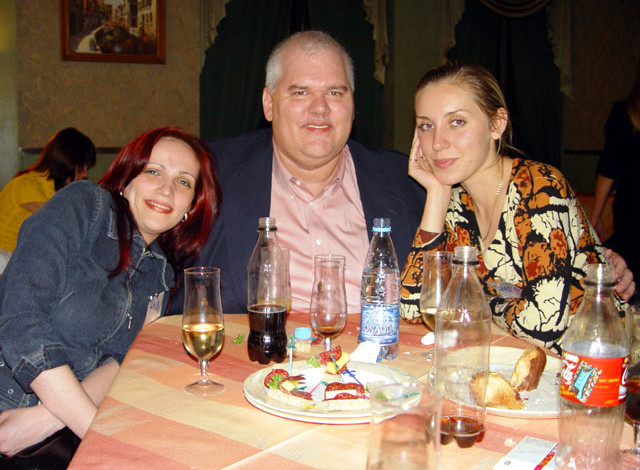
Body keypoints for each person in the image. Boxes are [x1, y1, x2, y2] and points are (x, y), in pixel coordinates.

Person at [0, 127, 221, 462]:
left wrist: (45, 421)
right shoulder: (84, 205)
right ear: (125, 178)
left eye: (183, 181)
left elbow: (120, 361)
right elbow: (20, 320)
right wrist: (104, 441)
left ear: (191, 206)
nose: (166, 189)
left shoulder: (160, 274)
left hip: (54, 434)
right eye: (153, 171)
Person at [169, 31, 425, 315]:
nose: (320, 108)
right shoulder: (208, 172)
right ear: (269, 104)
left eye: (335, 93)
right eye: (301, 92)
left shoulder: (411, 182)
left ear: (353, 105)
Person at [399, 62, 632, 355]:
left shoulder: (539, 188)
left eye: (457, 122)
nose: (437, 143)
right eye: (426, 125)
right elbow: (412, 307)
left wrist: (475, 306)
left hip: (600, 367)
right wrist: (436, 193)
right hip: (524, 364)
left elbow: (541, 327)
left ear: (496, 125)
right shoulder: (456, 202)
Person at [0, 127, 97, 253]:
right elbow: (61, 223)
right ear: (66, 163)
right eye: (81, 167)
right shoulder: (27, 184)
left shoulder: (52, 188)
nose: (85, 174)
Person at [590, 62, 640, 281]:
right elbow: (609, 167)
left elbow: (609, 167)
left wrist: (596, 215)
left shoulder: (624, 113)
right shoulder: (624, 113)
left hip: (631, 215)